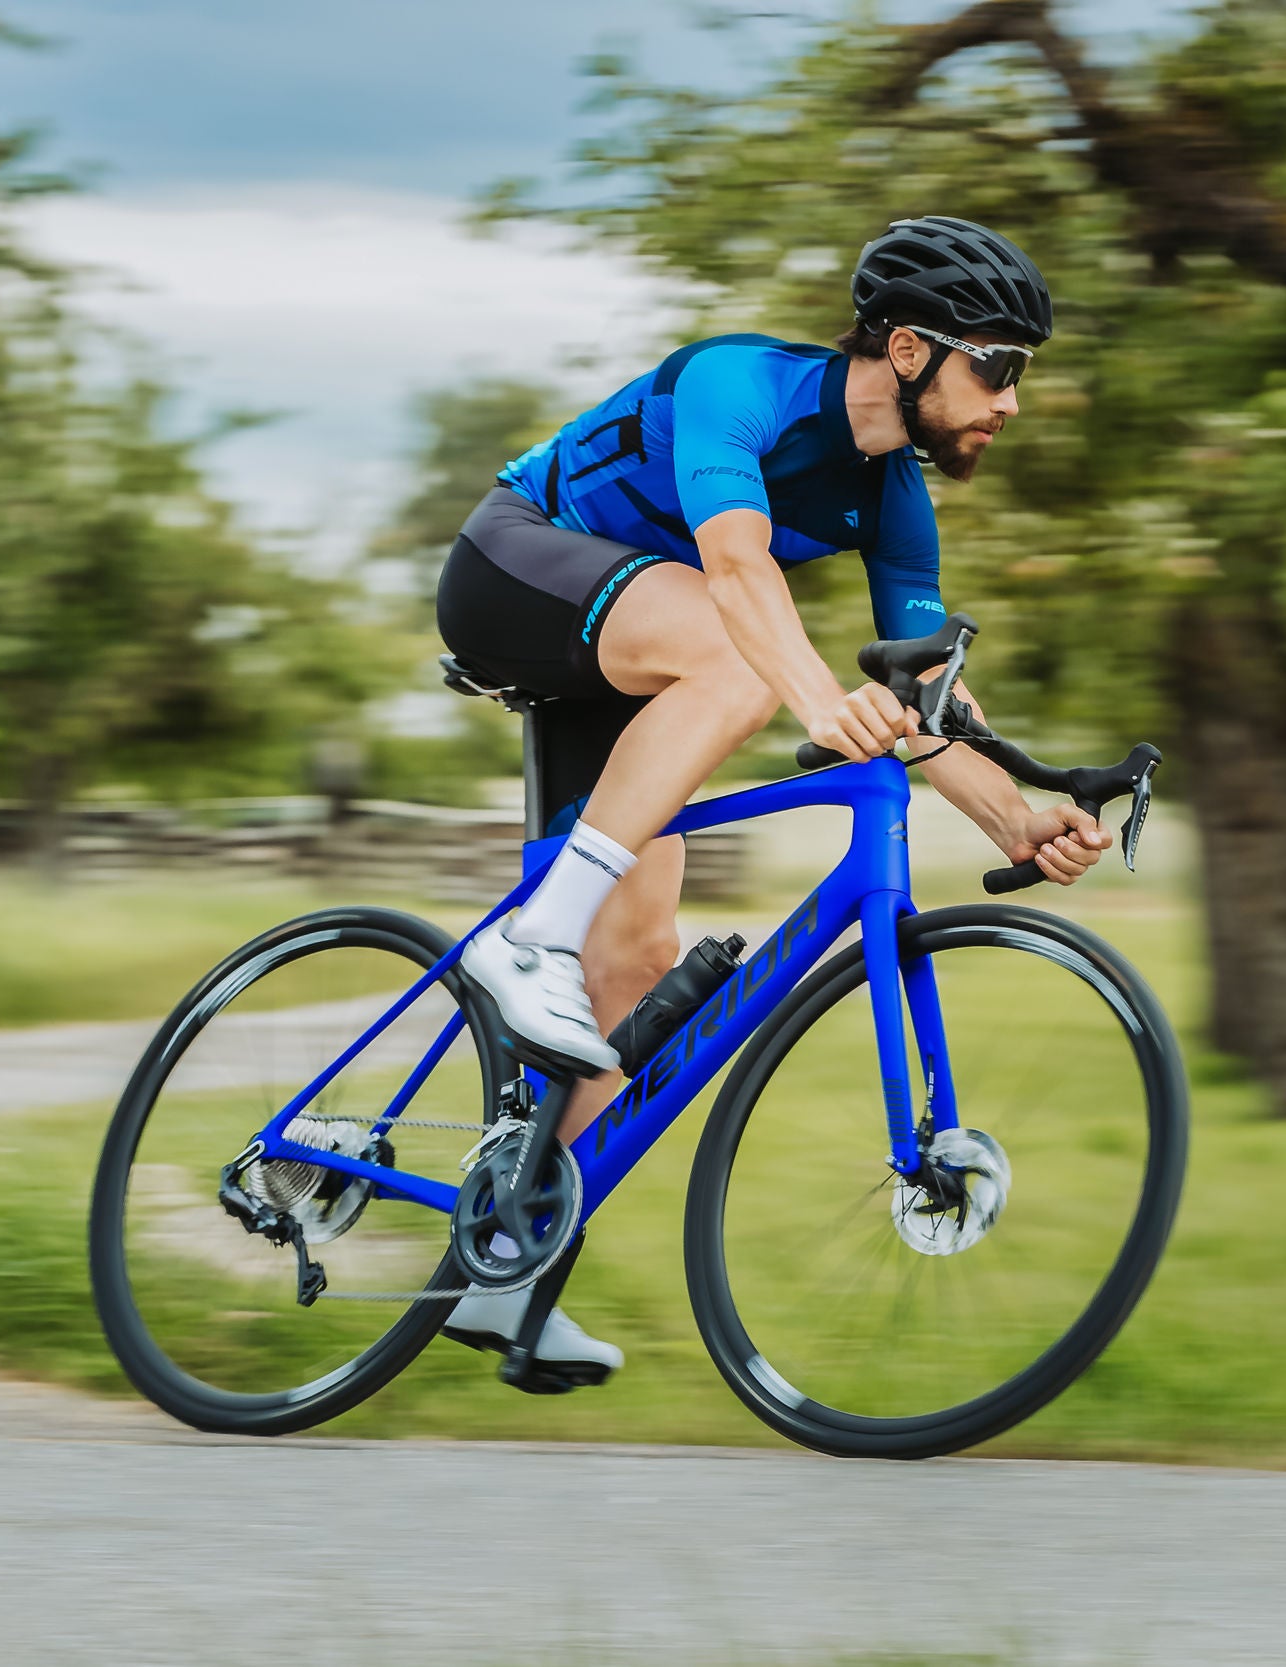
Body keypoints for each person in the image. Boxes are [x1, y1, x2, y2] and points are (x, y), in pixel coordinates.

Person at [434, 216, 1113, 1389]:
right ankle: (527, 939)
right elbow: (740, 575)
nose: (1010, 400)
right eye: (995, 367)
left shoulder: (895, 494)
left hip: (636, 658)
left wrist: (1013, 815)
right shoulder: (736, 384)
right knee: (737, 654)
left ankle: (502, 1260)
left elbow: (920, 692)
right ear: (908, 349)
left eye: (1022, 374)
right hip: (516, 569)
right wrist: (813, 697)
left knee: (637, 967)